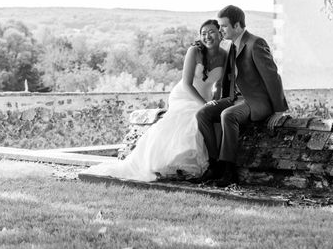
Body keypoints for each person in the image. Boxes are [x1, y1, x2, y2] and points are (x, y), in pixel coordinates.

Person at [87, 19, 228, 182]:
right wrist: (204, 104)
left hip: (206, 98)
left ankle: (191, 166)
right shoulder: (194, 51)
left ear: (220, 33)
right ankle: (175, 164)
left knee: (206, 118)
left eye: (211, 32)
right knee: (191, 119)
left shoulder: (225, 56)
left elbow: (219, 85)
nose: (207, 36)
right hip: (185, 95)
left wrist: (215, 102)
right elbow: (187, 84)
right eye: (203, 33)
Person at [196, 5, 288, 187]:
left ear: (237, 25)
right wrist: (219, 99)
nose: (219, 30)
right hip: (236, 99)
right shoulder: (232, 46)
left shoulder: (256, 43)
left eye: (223, 26)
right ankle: (214, 165)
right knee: (203, 113)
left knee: (228, 115)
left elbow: (273, 77)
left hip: (256, 102)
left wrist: (280, 110)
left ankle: (228, 171)